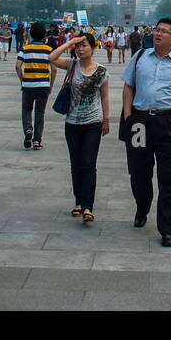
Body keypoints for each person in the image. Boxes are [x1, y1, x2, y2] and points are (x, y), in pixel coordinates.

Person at [120, 18, 171, 246]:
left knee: (169, 176)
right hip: (140, 121)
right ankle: (142, 207)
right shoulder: (139, 58)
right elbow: (128, 86)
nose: (158, 34)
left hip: (168, 122)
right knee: (138, 171)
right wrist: (128, 115)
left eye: (164, 31)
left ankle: (168, 228)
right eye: (157, 30)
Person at [48, 32, 109, 222]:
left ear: (93, 48)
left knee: (88, 164)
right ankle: (78, 201)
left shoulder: (101, 71)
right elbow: (51, 58)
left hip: (93, 122)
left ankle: (88, 206)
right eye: (79, 46)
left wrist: (106, 119)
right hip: (72, 122)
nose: (81, 49)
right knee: (76, 164)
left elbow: (105, 97)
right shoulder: (71, 65)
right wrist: (70, 42)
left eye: (84, 46)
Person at [16, 21, 55, 150]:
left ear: (31, 35)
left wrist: (23, 80)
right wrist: (51, 85)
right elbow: (54, 69)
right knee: (40, 113)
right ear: (44, 35)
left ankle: (28, 130)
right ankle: (37, 141)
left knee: (26, 110)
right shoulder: (49, 50)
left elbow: (17, 66)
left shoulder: (25, 48)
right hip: (43, 85)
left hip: (28, 86)